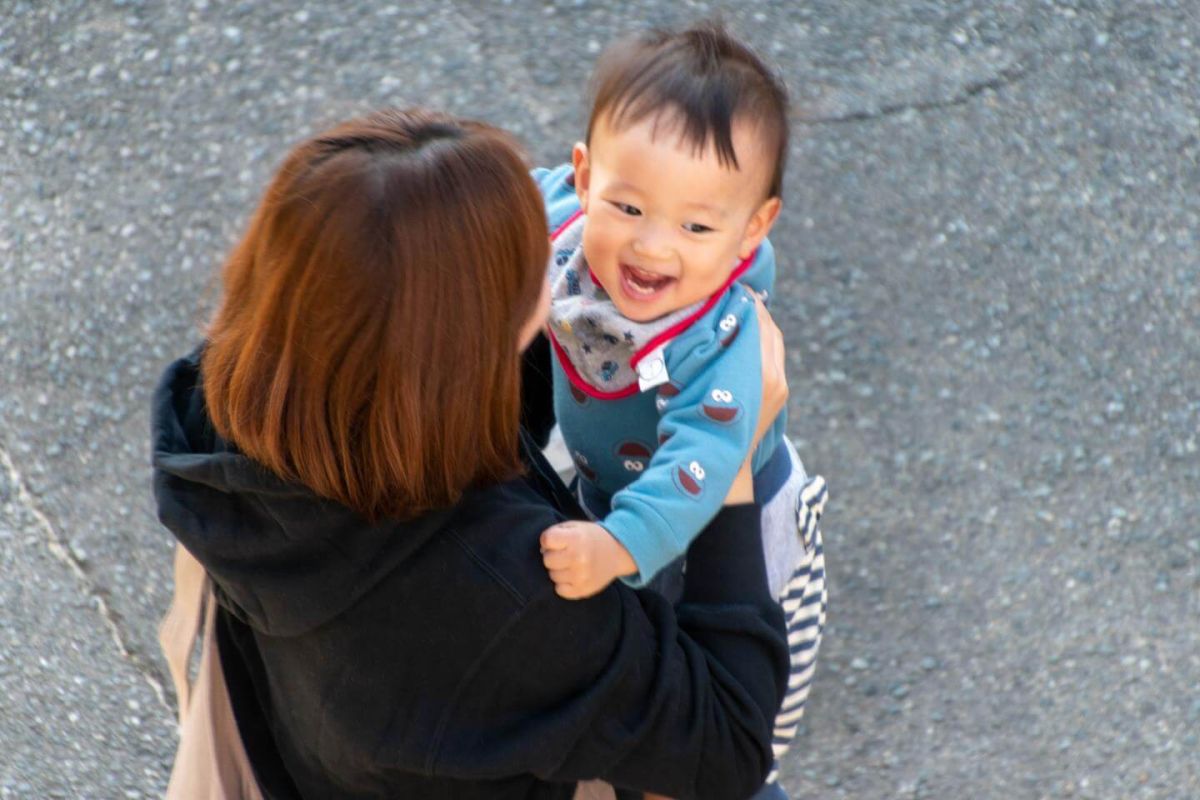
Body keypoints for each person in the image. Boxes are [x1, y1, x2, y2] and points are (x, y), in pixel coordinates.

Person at [152, 107, 793, 800]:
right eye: (538, 263)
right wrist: (728, 463)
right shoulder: (512, 589)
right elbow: (726, 747)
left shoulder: (232, 402)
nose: (559, 272)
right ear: (461, 352)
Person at [531, 23, 828, 798]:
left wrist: (615, 548)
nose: (653, 248)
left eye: (697, 226)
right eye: (628, 206)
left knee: (691, 756)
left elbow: (697, 473)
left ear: (752, 229)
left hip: (719, 534)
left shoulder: (718, 337)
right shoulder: (564, 218)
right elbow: (498, 206)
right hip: (614, 483)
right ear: (585, 175)